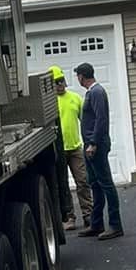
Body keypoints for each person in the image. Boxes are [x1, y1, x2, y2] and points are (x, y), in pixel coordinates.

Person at [74, 59, 123, 240]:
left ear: (82, 76)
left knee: (106, 184)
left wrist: (93, 143)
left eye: (78, 75)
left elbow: (101, 120)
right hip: (89, 145)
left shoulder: (96, 92)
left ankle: (115, 225)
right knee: (94, 183)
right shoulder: (91, 92)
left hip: (96, 146)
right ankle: (96, 224)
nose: (77, 79)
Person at [51, 66, 92, 228]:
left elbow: (86, 122)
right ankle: (69, 217)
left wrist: (89, 141)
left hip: (75, 148)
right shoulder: (50, 103)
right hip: (58, 150)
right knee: (63, 185)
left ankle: (88, 214)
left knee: (82, 181)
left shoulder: (75, 98)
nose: (59, 84)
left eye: (61, 80)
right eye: (56, 82)